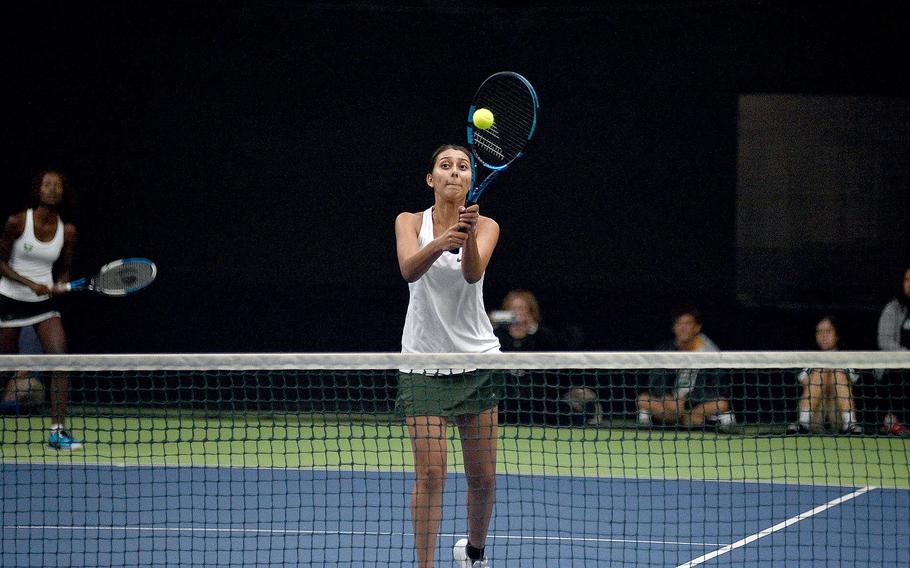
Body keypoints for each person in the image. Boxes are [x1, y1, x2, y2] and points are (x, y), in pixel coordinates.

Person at [395, 144, 500, 568]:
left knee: (483, 479)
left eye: (463, 167)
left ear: (471, 180)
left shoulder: (487, 225)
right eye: (445, 166)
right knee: (432, 472)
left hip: (477, 361)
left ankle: (473, 554)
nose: (454, 173)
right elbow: (408, 269)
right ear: (430, 178)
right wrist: (441, 240)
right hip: (422, 361)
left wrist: (468, 234)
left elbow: (473, 273)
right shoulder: (408, 221)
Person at [0, 169, 81, 449]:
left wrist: (60, 283)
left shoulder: (67, 231)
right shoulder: (17, 222)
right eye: (47, 184)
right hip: (10, 300)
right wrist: (29, 283)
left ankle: (58, 432)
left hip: (44, 305)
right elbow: (1, 264)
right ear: (38, 190)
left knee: (60, 360)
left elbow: (65, 270)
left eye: (58, 185)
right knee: (3, 366)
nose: (52, 189)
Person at [636, 307, 736, 431]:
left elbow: (714, 387)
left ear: (697, 327)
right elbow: (656, 379)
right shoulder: (665, 350)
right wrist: (666, 396)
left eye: (688, 323)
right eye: (679, 323)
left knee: (721, 404)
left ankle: (675, 419)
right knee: (643, 399)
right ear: (674, 327)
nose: (683, 327)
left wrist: (686, 400)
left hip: (696, 403)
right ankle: (688, 420)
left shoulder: (710, 352)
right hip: (670, 404)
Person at [788, 316, 862, 434]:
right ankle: (803, 424)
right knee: (819, 372)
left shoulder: (848, 359)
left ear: (837, 335)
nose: (823, 336)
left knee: (838, 372)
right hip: (816, 416)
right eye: (819, 332)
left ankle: (850, 424)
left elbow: (853, 382)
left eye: (828, 331)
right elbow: (804, 382)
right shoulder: (809, 360)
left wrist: (833, 369)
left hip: (837, 415)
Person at [875, 263, 910, 436]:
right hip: (896, 366)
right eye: (906, 280)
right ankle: (893, 421)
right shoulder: (893, 309)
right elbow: (885, 341)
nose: (909, 284)